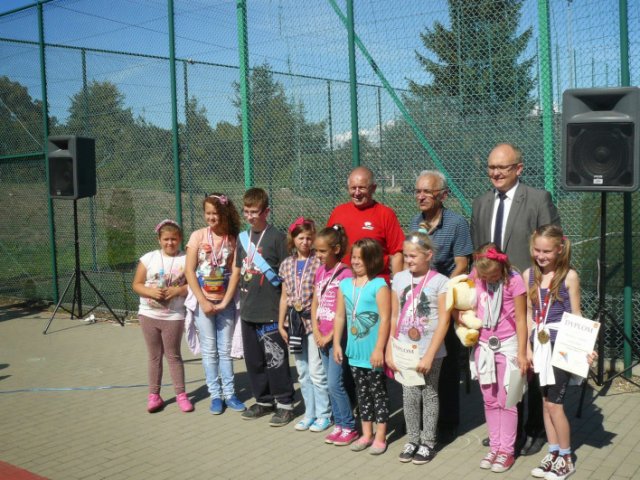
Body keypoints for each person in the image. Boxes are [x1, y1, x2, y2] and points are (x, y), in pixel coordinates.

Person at [471, 142, 561, 455]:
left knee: (529, 364)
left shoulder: (537, 199)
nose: (495, 173)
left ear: (518, 169)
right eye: (491, 167)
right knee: (500, 368)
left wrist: (542, 289)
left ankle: (534, 429)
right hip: (492, 301)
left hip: (528, 297)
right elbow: (478, 253)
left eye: (502, 167)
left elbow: (552, 246)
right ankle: (507, 431)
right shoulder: (481, 203)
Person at [409, 170, 473, 443]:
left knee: (446, 365)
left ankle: (447, 422)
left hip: (444, 300)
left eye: (427, 192)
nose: (421, 196)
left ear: (443, 195)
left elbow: (462, 264)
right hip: (420, 303)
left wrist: (439, 289)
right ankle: (422, 420)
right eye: (418, 191)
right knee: (421, 360)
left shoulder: (457, 223)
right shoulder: (415, 222)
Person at [387, 229, 450, 465]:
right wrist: (389, 348)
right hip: (405, 349)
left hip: (429, 350)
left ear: (428, 255)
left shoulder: (440, 282)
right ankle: (412, 439)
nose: (408, 260)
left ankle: (428, 442)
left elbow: (444, 320)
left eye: (413, 256)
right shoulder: (399, 278)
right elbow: (394, 315)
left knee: (429, 394)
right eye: (406, 255)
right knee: (409, 394)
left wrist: (430, 355)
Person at [523, 225, 581, 480]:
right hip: (539, 346)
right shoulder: (529, 275)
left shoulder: (569, 276)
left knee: (555, 405)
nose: (541, 255)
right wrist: (526, 347)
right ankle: (553, 452)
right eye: (537, 250)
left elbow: (576, 315)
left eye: (547, 251)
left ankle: (566, 459)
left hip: (561, 346)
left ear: (559, 249)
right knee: (545, 404)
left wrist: (584, 348)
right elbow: (528, 313)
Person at [236, 188, 295, 427]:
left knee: (275, 360)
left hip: (271, 311)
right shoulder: (242, 238)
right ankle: (264, 400)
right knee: (254, 361)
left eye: (255, 212)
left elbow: (287, 274)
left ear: (266, 211)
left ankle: (285, 404)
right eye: (246, 211)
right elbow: (239, 271)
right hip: (248, 311)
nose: (250, 216)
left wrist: (286, 313)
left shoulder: (278, 238)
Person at [184, 194, 245, 415]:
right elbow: (189, 270)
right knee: (210, 351)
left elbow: (236, 272)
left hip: (225, 302)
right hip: (204, 304)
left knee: (225, 350)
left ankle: (230, 394)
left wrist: (226, 301)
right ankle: (215, 395)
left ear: (225, 214)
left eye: (216, 213)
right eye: (208, 213)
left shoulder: (233, 239)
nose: (211, 217)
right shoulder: (198, 236)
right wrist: (202, 301)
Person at [470, 244, 528, 473]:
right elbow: (462, 304)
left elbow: (522, 319)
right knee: (490, 400)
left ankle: (507, 450)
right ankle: (494, 447)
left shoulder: (514, 280)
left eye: (493, 275)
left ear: (502, 266)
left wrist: (522, 353)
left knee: (508, 400)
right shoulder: (476, 275)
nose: (488, 280)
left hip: (508, 346)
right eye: (484, 276)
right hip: (483, 346)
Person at [333, 238, 391, 455]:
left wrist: (379, 348)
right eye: (354, 257)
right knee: (362, 394)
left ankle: (380, 436)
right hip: (355, 352)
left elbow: (385, 319)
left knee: (378, 394)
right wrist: (337, 343)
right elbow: (340, 316)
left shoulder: (379, 285)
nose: (355, 261)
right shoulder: (345, 285)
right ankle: (366, 434)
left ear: (372, 260)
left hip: (373, 353)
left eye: (361, 258)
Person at [277, 217, 331, 433]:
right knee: (302, 371)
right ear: (293, 239)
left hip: (313, 323)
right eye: (301, 238)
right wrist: (281, 323)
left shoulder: (318, 262)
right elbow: (284, 297)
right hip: (294, 324)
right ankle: (309, 413)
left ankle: (324, 414)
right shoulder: (286, 264)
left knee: (317, 371)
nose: (305, 242)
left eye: (309, 238)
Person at [132, 219, 192, 413]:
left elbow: (194, 284)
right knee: (154, 356)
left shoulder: (186, 259)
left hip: (174, 315)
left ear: (179, 239)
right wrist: (151, 292)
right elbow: (137, 284)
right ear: (159, 240)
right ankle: (154, 396)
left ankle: (181, 395)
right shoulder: (148, 258)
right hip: (149, 314)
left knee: (173, 355)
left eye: (173, 239)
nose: (170, 243)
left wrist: (178, 291)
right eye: (166, 239)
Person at [310, 224, 359, 446]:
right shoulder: (320, 271)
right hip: (321, 335)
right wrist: (316, 330)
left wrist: (330, 337)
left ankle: (349, 426)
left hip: (337, 338)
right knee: (330, 383)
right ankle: (339, 423)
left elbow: (346, 311)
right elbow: (315, 302)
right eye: (316, 251)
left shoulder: (346, 274)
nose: (318, 255)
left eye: (322, 251)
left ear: (336, 249)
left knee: (335, 383)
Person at [327, 166, 404, 284]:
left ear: (373, 188)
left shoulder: (385, 214)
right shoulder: (338, 212)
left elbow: (397, 253)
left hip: (374, 284)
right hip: (342, 284)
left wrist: (398, 286)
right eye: (353, 188)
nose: (357, 193)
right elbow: (327, 247)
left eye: (362, 188)